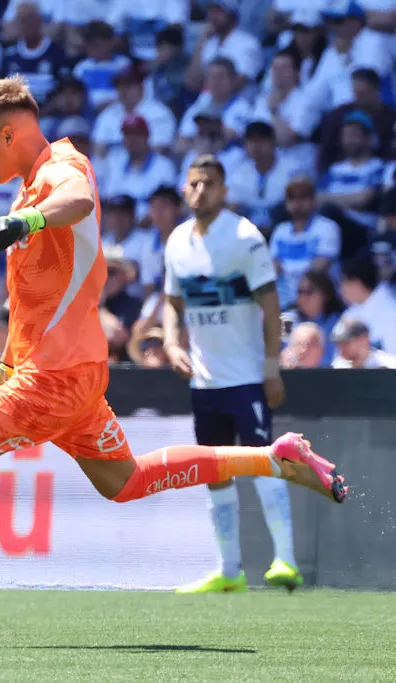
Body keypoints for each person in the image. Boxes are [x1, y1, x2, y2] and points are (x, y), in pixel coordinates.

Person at [0, 78, 348, 628]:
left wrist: (25, 220)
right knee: (125, 481)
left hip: (51, 380)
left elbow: (75, 199)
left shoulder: (61, 169)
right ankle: (275, 457)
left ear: (8, 132)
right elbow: (33, 310)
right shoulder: (30, 186)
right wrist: (1, 369)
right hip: (67, 375)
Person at [163, 155, 304, 593]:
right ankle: (229, 570)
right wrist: (170, 342)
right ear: (184, 189)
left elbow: (269, 304)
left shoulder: (245, 237)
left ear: (224, 190)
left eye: (208, 183)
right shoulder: (177, 242)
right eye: (193, 183)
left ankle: (286, 561)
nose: (199, 191)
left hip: (245, 376)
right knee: (214, 471)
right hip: (205, 381)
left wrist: (271, 366)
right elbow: (172, 300)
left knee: (265, 463)